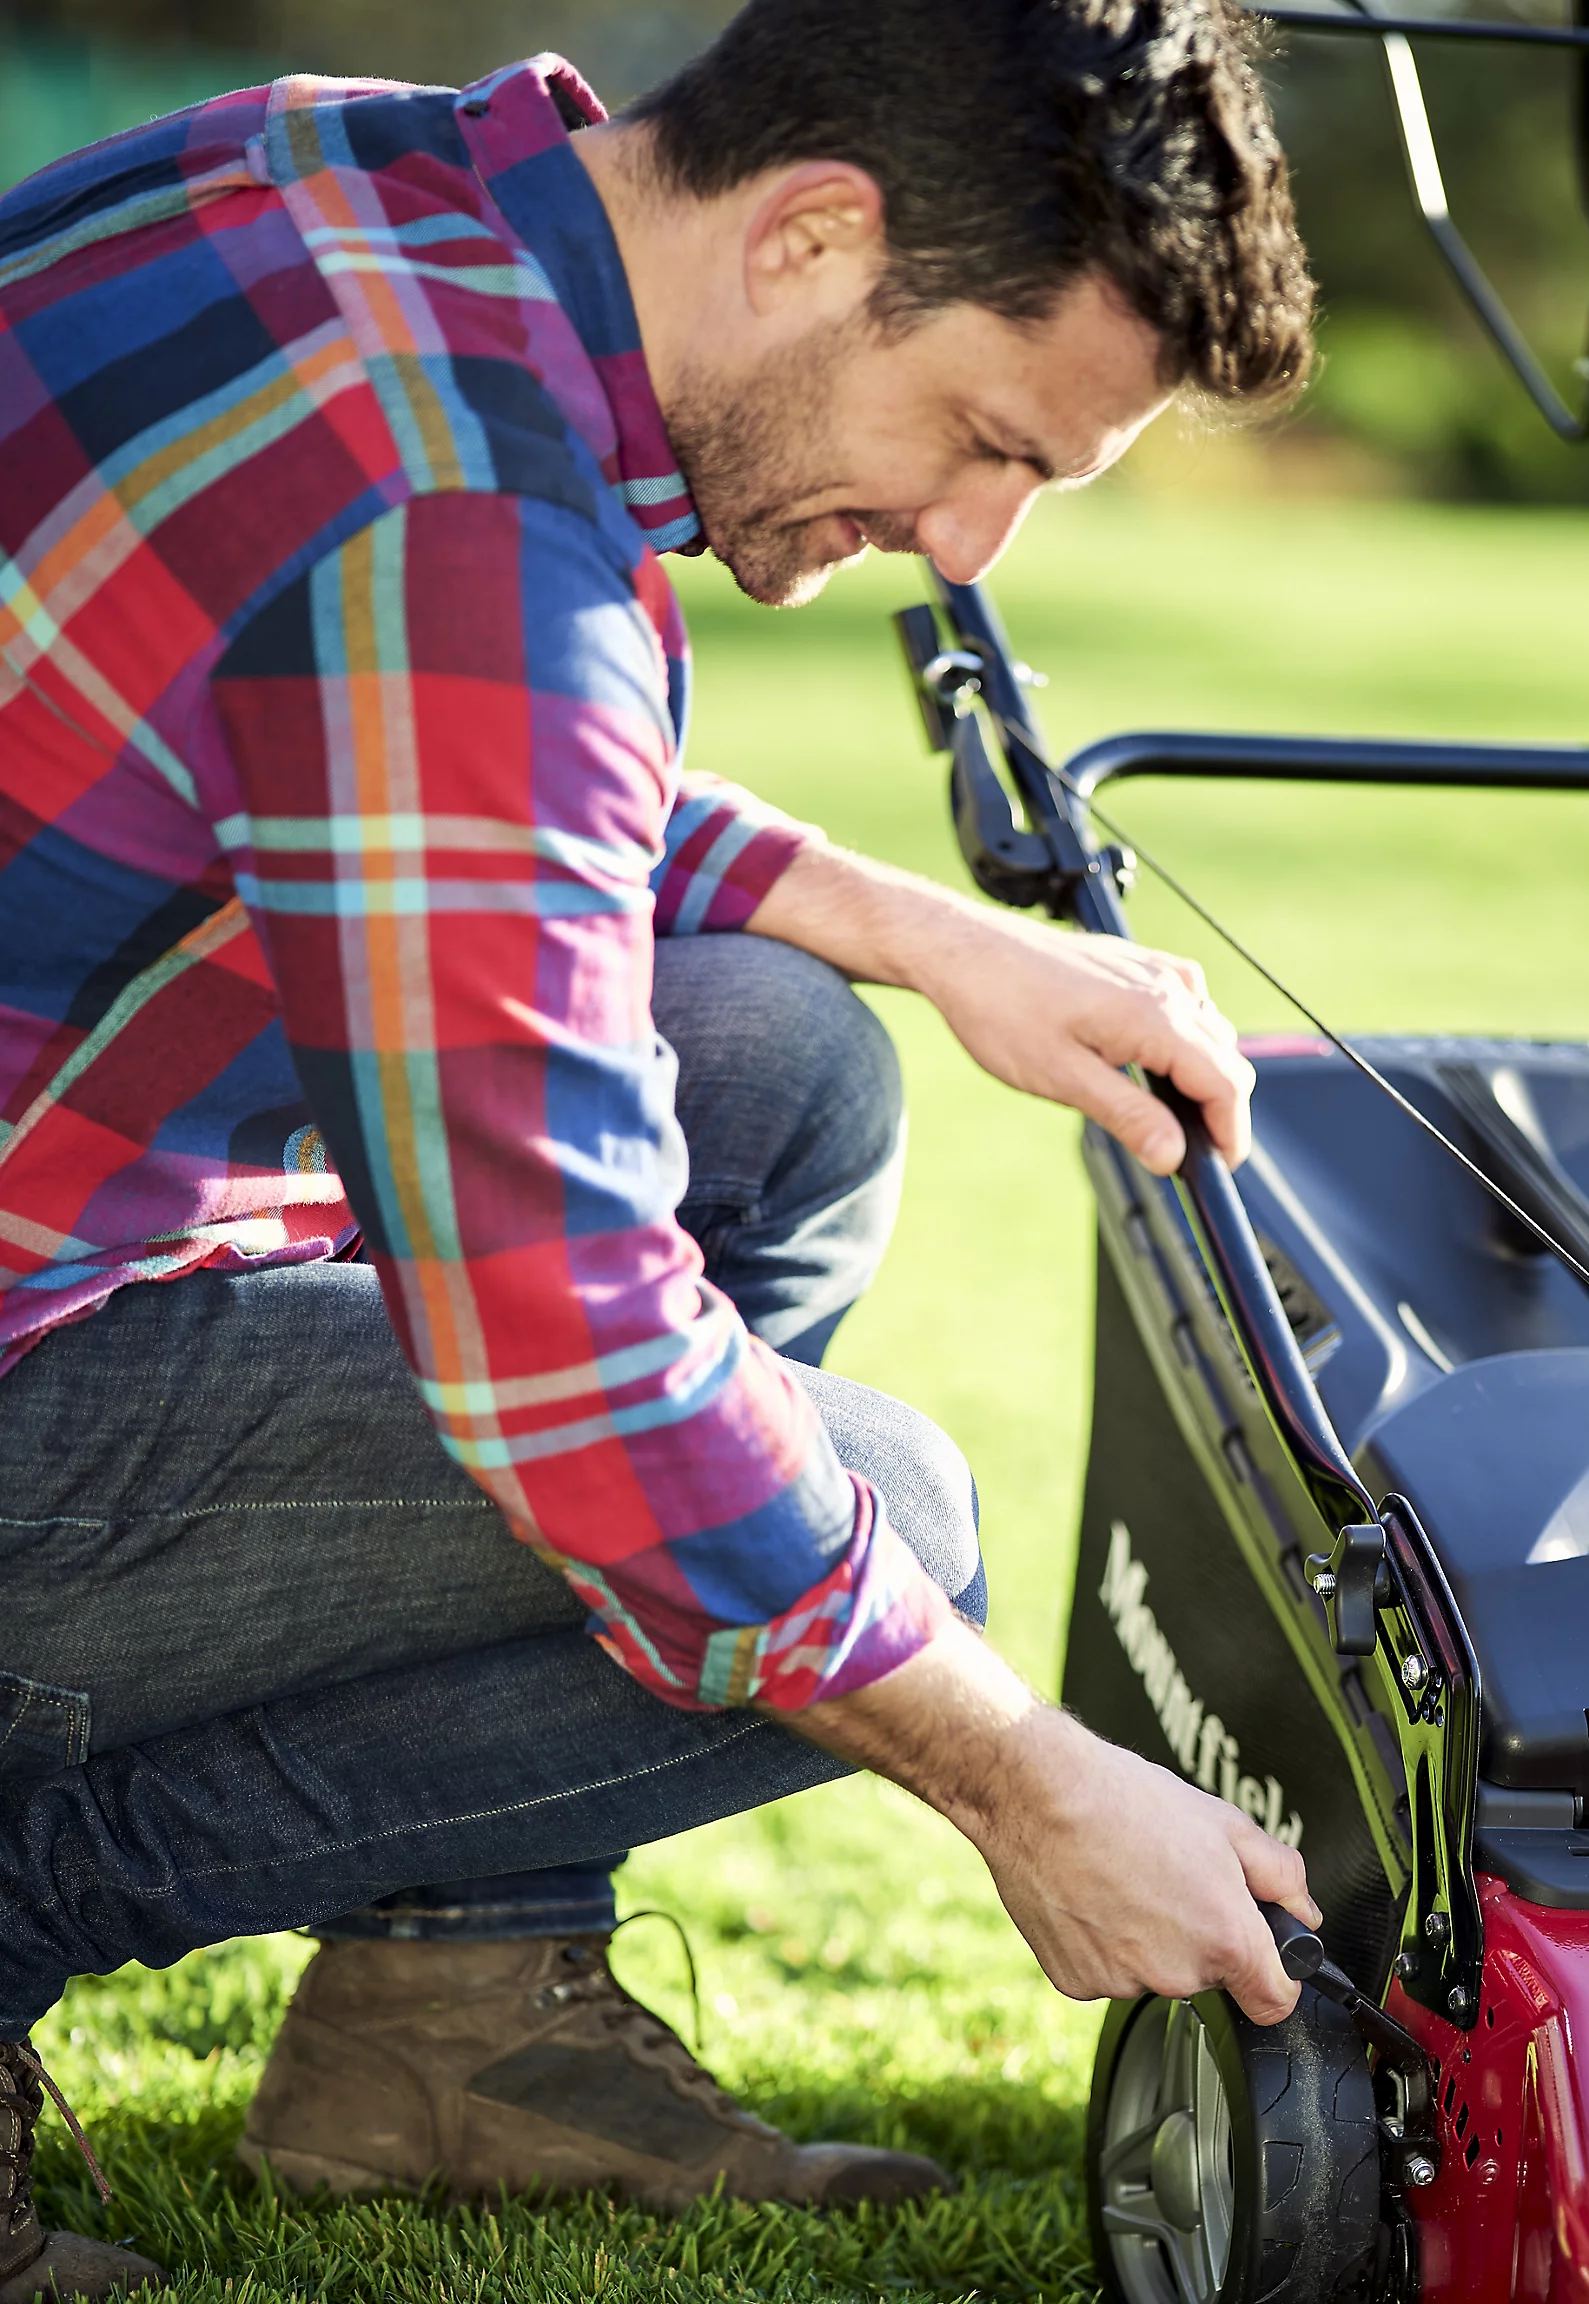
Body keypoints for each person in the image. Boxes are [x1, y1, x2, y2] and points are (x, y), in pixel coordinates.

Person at [0, 1, 1321, 2291]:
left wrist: (917, 927)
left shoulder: (333, 186)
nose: (965, 545)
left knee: (782, 1064)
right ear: (816, 237)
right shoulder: (466, 510)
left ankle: (449, 2008)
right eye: (988, 442)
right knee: (880, 1520)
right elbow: (571, 1362)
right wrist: (1023, 1776)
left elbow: (406, 741)